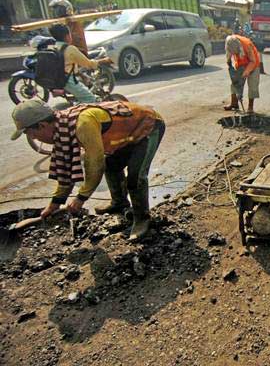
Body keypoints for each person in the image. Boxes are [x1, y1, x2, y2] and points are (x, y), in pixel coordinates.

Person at [11, 98, 165, 241]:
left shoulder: (83, 124)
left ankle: (142, 219)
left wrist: (81, 198)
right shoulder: (63, 128)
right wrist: (55, 204)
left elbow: (95, 164)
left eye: (34, 136)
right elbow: (67, 171)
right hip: (127, 135)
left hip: (148, 126)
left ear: (42, 126)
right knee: (112, 166)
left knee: (135, 177)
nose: (37, 139)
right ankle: (119, 202)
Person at [48, 23, 112, 103]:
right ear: (67, 36)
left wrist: (82, 75)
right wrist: (104, 60)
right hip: (69, 81)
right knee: (93, 100)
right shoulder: (70, 49)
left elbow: (65, 66)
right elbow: (88, 64)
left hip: (58, 81)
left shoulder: (54, 48)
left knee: (81, 101)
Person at [224, 34, 261, 113]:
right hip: (241, 64)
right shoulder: (230, 43)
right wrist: (230, 66)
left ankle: (250, 107)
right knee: (235, 83)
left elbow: (253, 61)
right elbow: (228, 56)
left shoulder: (246, 45)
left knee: (253, 85)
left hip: (253, 64)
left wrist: (246, 72)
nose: (235, 54)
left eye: (236, 53)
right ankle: (234, 103)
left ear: (239, 48)